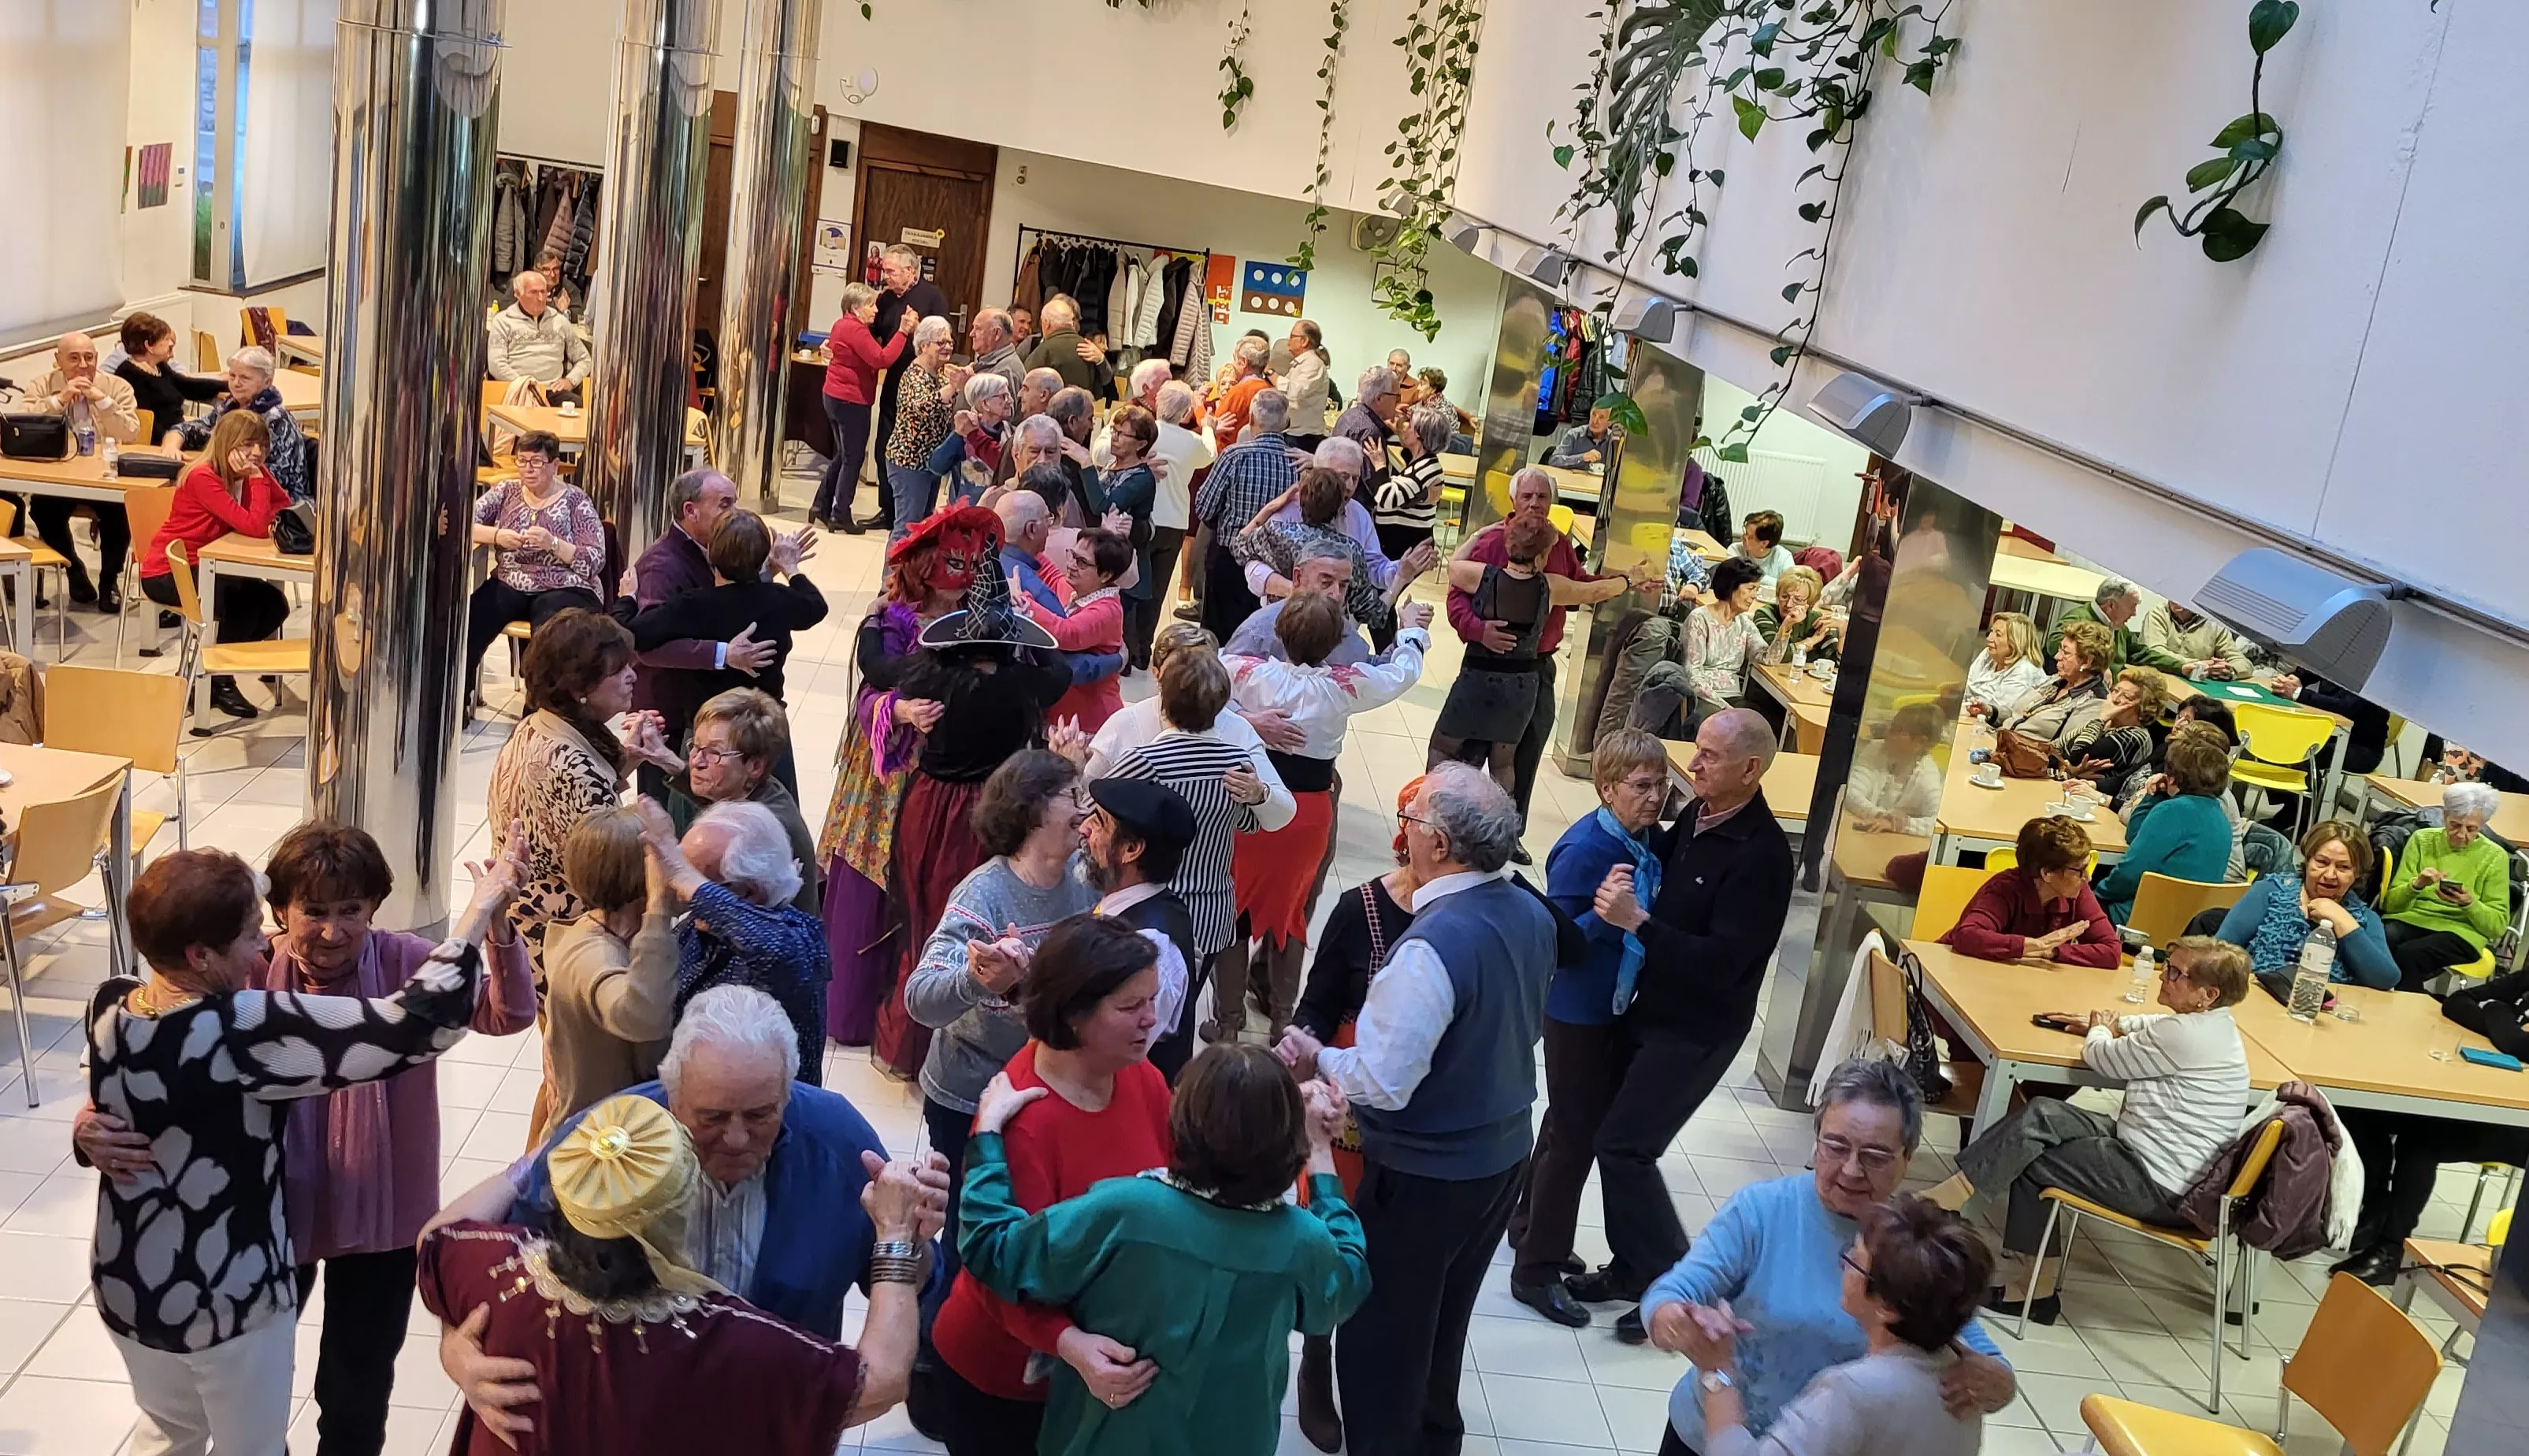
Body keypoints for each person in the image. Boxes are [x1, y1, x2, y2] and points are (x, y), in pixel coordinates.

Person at [79, 826, 537, 1456]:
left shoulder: (400, 958)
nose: (332, 931)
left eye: (351, 910)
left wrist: (500, 930)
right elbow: (411, 1024)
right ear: (276, 914)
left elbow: (507, 1015)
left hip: (378, 1220)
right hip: (269, 1232)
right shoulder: (247, 996)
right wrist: (88, 1124)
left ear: (374, 909)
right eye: (311, 912)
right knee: (249, 1409)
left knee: (353, 1395)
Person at [436, 987, 949, 1438]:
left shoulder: (839, 1143)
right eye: (713, 1117)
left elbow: (910, 1290)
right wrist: (457, 1348)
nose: (737, 1138)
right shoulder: (608, 1142)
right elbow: (495, 1266)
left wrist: (914, 1243)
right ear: (671, 1095)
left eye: (761, 1114)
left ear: (789, 1090)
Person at [1271, 765, 1550, 1456]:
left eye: (1413, 819)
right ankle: (1436, 1438)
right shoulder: (1529, 912)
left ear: (1441, 843)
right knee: (1446, 1322)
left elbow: (1382, 1082)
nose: (1406, 831)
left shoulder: (1430, 946)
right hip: (1502, 1155)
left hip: (1425, 1176)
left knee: (1385, 1344)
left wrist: (1318, 1055)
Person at [418, 1092, 932, 1454]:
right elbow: (881, 1380)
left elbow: (434, 1236)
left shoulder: (498, 1270)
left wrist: (536, 1159)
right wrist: (895, 1232)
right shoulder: (717, 1341)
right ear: (678, 1215)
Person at [959, 1046, 1365, 1456]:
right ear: (1290, 1143)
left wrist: (988, 1136)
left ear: (1183, 1123)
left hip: (1107, 1439)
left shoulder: (1125, 1210)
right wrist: (1319, 1152)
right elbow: (1347, 1282)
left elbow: (995, 1251)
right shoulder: (1303, 1242)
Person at [1641, 1060, 2016, 1454]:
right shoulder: (1761, 1210)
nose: (1851, 1170)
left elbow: (1977, 1349)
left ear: (1907, 1157)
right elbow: (1673, 1292)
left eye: (1875, 1156)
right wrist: (1674, 1320)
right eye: (1835, 1147)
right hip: (1709, 1436)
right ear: (1816, 1139)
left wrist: (1995, 1380)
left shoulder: (1910, 1243)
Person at [912, 915, 1178, 1452]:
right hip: (1007, 1383)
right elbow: (999, 1271)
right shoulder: (1022, 1117)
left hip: (1094, 1371)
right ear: (1075, 1014)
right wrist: (1070, 1342)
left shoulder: (1139, 1075)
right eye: (1131, 1006)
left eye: (1153, 1000)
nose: (1152, 1019)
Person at [1577, 709, 1797, 1341]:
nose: (1693, 765)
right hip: (1654, 1005)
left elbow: (1725, 964)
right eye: (1697, 750)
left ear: (1750, 770)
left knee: (1627, 1146)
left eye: (1710, 756)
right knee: (1612, 1139)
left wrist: (1637, 923)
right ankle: (1631, 1268)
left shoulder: (1761, 857)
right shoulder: (1698, 815)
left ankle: (1679, 1287)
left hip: (1699, 1026)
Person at [1937, 937, 2254, 1320]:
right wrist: (2107, 1024)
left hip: (2162, 1188)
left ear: (2208, 994)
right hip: (2147, 1153)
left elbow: (2101, 1058)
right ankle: (1952, 1197)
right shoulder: (2212, 1025)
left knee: (2034, 1160)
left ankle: (2034, 1292)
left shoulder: (2185, 1036)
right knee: (2043, 1114)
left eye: (2175, 973)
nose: (2163, 976)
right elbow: (2152, 1025)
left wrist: (2099, 1032)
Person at [877, 552, 1077, 1079]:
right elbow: (1059, 669)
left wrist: (878, 622)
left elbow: (879, 668)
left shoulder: (929, 677)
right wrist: (1023, 633)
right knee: (984, 924)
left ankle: (914, 1040)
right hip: (998, 812)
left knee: (926, 920)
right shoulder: (1026, 683)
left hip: (929, 809)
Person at [906, 750, 1099, 1268]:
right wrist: (976, 978)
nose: (1084, 809)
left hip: (1047, 1084)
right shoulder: (983, 897)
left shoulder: (1085, 875)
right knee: (970, 1235)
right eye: (1071, 797)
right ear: (1032, 811)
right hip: (970, 1095)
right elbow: (921, 998)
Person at [1283, 776, 1425, 1451]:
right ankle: (1317, 1360)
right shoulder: (1360, 909)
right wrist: (1304, 1052)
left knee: (1397, 1240)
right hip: (1349, 1096)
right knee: (1331, 1226)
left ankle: (1371, 1363)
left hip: (1422, 1103)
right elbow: (1317, 1004)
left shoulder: (1473, 912)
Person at [1510, 732, 1669, 1327]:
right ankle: (1536, 1269)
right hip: (1578, 1010)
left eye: (1661, 784)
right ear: (1606, 789)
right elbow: (1559, 938)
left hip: (1612, 1005)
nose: (1655, 797)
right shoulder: (1584, 849)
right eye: (1641, 786)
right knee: (1577, 1139)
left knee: (1566, 1122)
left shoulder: (1642, 839)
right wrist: (1607, 917)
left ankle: (1527, 1224)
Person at [1220, 593, 1432, 1040]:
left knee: (1236, 909)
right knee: (1294, 910)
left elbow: (1199, 672)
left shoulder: (1245, 672)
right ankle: (1283, 1018)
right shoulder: (1343, 686)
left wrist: (1247, 719)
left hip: (1253, 807)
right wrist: (1412, 629)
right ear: (1336, 642)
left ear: (1279, 633)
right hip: (1309, 813)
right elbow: (1402, 673)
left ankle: (1227, 1022)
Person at [815, 507, 982, 1047]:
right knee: (874, 880)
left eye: (971, 565)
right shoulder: (892, 620)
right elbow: (871, 691)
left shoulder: (973, 618)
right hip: (885, 779)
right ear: (927, 568)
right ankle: (855, 1010)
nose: (966, 576)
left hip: (946, 777)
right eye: (954, 564)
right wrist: (901, 711)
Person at [1088, 633, 1294, 1045]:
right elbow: (1252, 823)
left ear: (1163, 698)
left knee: (1132, 1007)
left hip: (1146, 907)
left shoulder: (1145, 759)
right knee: (1181, 1011)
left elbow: (1097, 798)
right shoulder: (1237, 764)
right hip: (1211, 911)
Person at [1692, 1199, 1993, 1456]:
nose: (1844, 1263)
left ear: (1887, 1307)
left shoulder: (1852, 1392)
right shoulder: (1966, 1380)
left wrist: (1717, 1371)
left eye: (1855, 1260)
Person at [1450, 466, 1647, 834]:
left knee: (1526, 752)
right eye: (1527, 496)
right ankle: (1457, 827)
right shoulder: (1493, 542)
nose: (1535, 503)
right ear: (1513, 500)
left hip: (1537, 667)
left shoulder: (1557, 542)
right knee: (1470, 754)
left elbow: (1582, 586)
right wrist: (1478, 631)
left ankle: (1509, 832)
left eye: (1542, 497)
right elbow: (1456, 598)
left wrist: (1626, 581)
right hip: (1486, 664)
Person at [486, 608, 681, 967]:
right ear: (578, 688)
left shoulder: (536, 724)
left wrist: (631, 756)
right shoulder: (572, 765)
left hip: (525, 928)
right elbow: (614, 875)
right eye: (618, 671)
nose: (632, 676)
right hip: (561, 945)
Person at [2330, 968, 2529, 1284]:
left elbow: (2519, 1045)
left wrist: (2495, 1010)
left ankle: (2391, 1249)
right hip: (2493, 1093)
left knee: (2423, 1140)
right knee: (2364, 1108)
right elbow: (2457, 1002)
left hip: (2520, 1122)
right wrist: (2501, 1024)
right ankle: (2377, 1205)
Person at [626, 509, 826, 767]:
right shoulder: (779, 599)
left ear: (710, 552)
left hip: (708, 734)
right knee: (770, 794)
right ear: (764, 556)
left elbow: (636, 634)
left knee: (702, 793)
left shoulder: (695, 605)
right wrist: (790, 568)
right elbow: (816, 606)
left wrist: (626, 599)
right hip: (765, 730)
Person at [647, 798, 829, 1083]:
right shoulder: (700, 927)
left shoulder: (796, 939)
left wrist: (685, 878)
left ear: (749, 891)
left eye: (698, 883)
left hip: (765, 1104)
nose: (683, 894)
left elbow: (776, 952)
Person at [531, 804, 679, 1143]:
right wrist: (658, 907)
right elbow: (642, 1017)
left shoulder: (615, 934)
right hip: (598, 1145)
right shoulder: (590, 956)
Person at [627, 468, 778, 797]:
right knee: (667, 809)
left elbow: (726, 602)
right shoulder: (661, 565)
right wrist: (723, 654)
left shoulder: (716, 550)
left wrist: (768, 573)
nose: (734, 512)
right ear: (690, 510)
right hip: (668, 710)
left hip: (708, 712)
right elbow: (647, 646)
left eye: (735, 503)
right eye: (725, 504)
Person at [138, 409, 288, 721]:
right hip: (170, 571)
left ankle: (215, 672)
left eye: (262, 445)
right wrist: (257, 479)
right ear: (227, 443)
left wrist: (259, 478)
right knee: (241, 604)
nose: (256, 453)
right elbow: (256, 526)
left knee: (274, 604)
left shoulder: (249, 470)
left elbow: (283, 506)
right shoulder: (203, 477)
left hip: (211, 564)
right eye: (247, 444)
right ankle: (216, 681)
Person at [1428, 514, 1570, 794]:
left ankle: (1434, 806)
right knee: (1504, 764)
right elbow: (1593, 591)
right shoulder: (1550, 588)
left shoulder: (1482, 576)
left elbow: (1453, 566)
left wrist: (1476, 536)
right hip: (1521, 687)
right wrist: (1627, 581)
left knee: (1442, 748)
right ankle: (1501, 817)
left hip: (1477, 680)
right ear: (1542, 556)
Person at [465, 429, 606, 692]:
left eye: (537, 462)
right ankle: (458, 701)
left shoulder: (575, 500)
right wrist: (497, 535)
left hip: (564, 585)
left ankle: (539, 710)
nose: (528, 469)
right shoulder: (507, 491)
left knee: (550, 640)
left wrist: (553, 544)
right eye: (522, 461)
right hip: (511, 581)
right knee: (468, 624)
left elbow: (595, 560)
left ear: (555, 465)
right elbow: (464, 522)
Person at [1080, 778, 1201, 1079]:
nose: (1084, 829)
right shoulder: (1125, 907)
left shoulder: (1151, 946)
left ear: (1131, 849)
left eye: (1099, 823)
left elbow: (1108, 1055)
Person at [17, 330, 142, 610]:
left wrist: (102, 401)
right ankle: (73, 568)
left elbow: (132, 433)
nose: (83, 365)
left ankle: (109, 580)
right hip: (59, 474)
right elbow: (22, 423)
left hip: (103, 476)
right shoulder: (42, 384)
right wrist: (58, 401)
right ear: (58, 360)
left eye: (89, 358)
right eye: (74, 358)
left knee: (119, 513)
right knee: (42, 510)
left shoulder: (117, 386)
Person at [667, 687, 819, 912]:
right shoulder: (755, 790)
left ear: (755, 766)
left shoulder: (765, 828)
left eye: (714, 753)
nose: (697, 761)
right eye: (695, 746)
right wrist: (668, 762)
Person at [2215, 819, 2397, 986]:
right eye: (2322, 862)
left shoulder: (2365, 919)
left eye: (2343, 867)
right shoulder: (2270, 891)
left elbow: (2387, 979)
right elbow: (2218, 952)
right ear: (2308, 860)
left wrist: (2342, 919)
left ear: (2357, 873)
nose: (2330, 875)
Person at [2378, 780, 2512, 991]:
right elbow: (2390, 906)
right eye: (2454, 825)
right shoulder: (2422, 840)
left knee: (2410, 955)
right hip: (2413, 918)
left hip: (2462, 931)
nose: (2461, 835)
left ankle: (2410, 1006)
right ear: (2444, 816)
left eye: (2471, 829)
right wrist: (2416, 885)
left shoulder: (2495, 857)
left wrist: (2470, 904)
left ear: (2482, 825)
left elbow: (2497, 927)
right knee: (2379, 939)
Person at [2095, 724, 2236, 922]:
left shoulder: (2171, 811)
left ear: (2173, 777)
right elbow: (2135, 834)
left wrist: (2096, 895)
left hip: (2136, 919)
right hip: (2185, 927)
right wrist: (2157, 794)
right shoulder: (2221, 818)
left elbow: (2129, 874)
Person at [1234, 465, 1394, 636]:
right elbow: (1374, 614)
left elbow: (1239, 546)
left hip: (1281, 629)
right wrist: (1399, 581)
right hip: (1330, 637)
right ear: (1340, 507)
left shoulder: (1277, 533)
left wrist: (1271, 508)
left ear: (1301, 501)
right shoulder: (1351, 550)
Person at [1940, 815, 2120, 966]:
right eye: (2079, 870)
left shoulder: (2078, 890)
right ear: (2047, 873)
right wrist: (2034, 945)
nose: (2088, 877)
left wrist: (2052, 951)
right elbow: (1966, 935)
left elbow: (2112, 951)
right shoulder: (2005, 889)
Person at [1194, 387, 1298, 641]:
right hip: (1276, 565)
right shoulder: (1299, 463)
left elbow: (1204, 507)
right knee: (1263, 638)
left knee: (1219, 638)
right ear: (1286, 423)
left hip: (1229, 557)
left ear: (1251, 420)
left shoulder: (1234, 455)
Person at [864, 243, 951, 533]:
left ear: (910, 271)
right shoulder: (886, 298)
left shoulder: (933, 297)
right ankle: (887, 510)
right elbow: (871, 334)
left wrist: (917, 330)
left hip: (923, 382)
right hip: (894, 384)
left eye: (890, 271)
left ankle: (911, 515)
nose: (885, 276)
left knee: (913, 454)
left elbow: (943, 339)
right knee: (884, 448)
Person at [818, 280, 914, 531]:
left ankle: (821, 505)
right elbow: (882, 359)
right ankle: (840, 514)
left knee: (843, 455)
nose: (876, 310)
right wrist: (903, 332)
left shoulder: (841, 324)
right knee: (853, 459)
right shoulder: (856, 330)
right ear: (856, 308)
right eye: (871, 305)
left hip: (834, 396)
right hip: (851, 400)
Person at [1016, 527, 1132, 732]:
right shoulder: (1074, 588)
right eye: (1072, 555)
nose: (1071, 565)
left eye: (1082, 562)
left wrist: (1021, 600)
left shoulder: (1108, 610)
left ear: (1106, 575)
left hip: (1089, 720)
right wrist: (1021, 541)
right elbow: (1050, 573)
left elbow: (1066, 633)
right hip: (1065, 711)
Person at [168, 345, 312, 503]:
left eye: (245, 378)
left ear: (267, 382)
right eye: (232, 376)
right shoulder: (230, 407)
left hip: (280, 506)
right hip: (236, 494)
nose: (236, 383)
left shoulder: (275, 419)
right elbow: (191, 429)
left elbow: (277, 480)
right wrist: (172, 445)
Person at [1096, 406, 1168, 668]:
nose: (1114, 438)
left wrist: (1085, 467)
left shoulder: (1140, 477)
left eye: (1122, 434)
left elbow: (1104, 506)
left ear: (1141, 444)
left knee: (1121, 635)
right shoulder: (1114, 465)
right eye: (1113, 431)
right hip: (1109, 560)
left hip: (1125, 566)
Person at [885, 315, 963, 534]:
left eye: (950, 342)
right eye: (941, 342)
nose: (948, 347)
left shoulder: (940, 373)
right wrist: (953, 388)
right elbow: (923, 406)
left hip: (930, 464)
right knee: (907, 528)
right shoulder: (915, 375)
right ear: (923, 346)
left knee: (922, 529)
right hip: (909, 463)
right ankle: (894, 560)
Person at [1993, 618, 2114, 747]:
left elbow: (2063, 748)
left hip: (2022, 755)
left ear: (2086, 662)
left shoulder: (2095, 702)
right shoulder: (2057, 680)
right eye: (2060, 649)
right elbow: (2017, 714)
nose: (2057, 657)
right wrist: (1990, 712)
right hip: (1998, 740)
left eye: (2065, 653)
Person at [1148, 380, 1213, 614]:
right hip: (1175, 522)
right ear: (1186, 413)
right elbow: (1210, 454)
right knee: (1157, 591)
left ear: (1157, 403)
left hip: (1144, 518)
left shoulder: (1145, 431)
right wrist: (1208, 428)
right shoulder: (1192, 441)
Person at [113, 313, 226, 445]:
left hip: (178, 432)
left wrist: (227, 385)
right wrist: (179, 436)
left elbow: (186, 386)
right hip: (162, 442)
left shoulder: (160, 367)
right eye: (166, 339)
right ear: (149, 345)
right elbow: (149, 422)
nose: (171, 343)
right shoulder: (128, 375)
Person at [2056, 665, 2167, 799]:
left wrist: (2101, 719)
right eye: (2115, 691)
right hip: (2069, 787)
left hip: (2093, 801)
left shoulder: (2136, 737)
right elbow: (2055, 747)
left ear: (2143, 708)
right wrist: (2069, 768)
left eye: (2126, 696)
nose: (2115, 699)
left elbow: (2076, 755)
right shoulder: (2107, 724)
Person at [1680, 556, 1769, 715]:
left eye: (1757, 590)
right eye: (1750, 589)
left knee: (1759, 721)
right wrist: (1725, 708)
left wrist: (1785, 631)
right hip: (1702, 697)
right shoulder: (1699, 619)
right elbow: (1693, 674)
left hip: (1734, 697)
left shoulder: (1745, 624)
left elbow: (1766, 657)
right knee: (1728, 725)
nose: (1754, 595)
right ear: (1731, 586)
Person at [486, 268, 589, 402]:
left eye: (543, 292)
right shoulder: (503, 322)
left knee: (575, 404)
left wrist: (570, 381)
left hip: (552, 391)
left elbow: (584, 359)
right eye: (533, 293)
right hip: (516, 390)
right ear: (517, 294)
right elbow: (496, 364)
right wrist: (525, 384)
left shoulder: (560, 322)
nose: (541, 298)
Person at [2044, 578, 2187, 674]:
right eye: (2132, 607)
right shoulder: (2078, 619)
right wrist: (2098, 667)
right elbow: (2055, 643)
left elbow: (2142, 654)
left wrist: (2180, 666)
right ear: (2111, 605)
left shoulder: (2120, 629)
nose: (2134, 613)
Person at [1845, 704, 1944, 835]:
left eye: (1897, 730)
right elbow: (1849, 792)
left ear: (1920, 742)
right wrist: (1881, 815)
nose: (1887, 732)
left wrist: (1898, 825)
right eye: (1891, 726)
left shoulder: (1927, 776)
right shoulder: (1876, 749)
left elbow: (1937, 824)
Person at [1373, 401, 1451, 562]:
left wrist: (1380, 465)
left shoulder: (1425, 469)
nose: (1404, 429)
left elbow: (1387, 498)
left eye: (1409, 426)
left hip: (1404, 548)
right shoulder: (1422, 462)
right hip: (1403, 546)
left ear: (1418, 434)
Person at [1329, 365, 1403, 500]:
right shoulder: (1369, 432)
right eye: (1397, 398)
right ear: (1379, 398)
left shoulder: (1351, 414)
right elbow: (1378, 491)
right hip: (1356, 505)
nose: (1398, 403)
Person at [1963, 611, 2049, 717]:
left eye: (1998, 634)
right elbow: (1967, 685)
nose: (1989, 638)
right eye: (1992, 631)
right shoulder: (1989, 653)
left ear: (2015, 642)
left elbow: (1997, 712)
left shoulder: (2024, 669)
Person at [2142, 600, 2252, 681]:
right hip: (2157, 681)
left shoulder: (2214, 623)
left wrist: (2229, 670)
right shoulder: (2158, 613)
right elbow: (2154, 652)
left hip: (2195, 688)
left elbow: (2243, 663)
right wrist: (2197, 665)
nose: (2176, 599)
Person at [1023, 295, 1110, 396]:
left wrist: (1101, 360)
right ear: (1072, 323)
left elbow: (1025, 385)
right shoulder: (1088, 349)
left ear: (1046, 323)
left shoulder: (1043, 351)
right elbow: (1100, 389)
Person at [1755, 563, 1841, 665]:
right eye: (1784, 596)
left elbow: (1836, 661)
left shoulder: (1815, 620)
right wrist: (1812, 641)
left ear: (1810, 603)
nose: (1788, 604)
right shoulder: (1765, 614)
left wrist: (1843, 634)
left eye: (1798, 600)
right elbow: (1774, 656)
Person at [1208, 335, 1275, 448]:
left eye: (1235, 359)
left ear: (1244, 362)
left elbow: (1215, 428)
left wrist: (1198, 407)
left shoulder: (1238, 392)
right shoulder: (1271, 392)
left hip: (1230, 453)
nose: (1233, 364)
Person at [1276, 320, 1332, 448]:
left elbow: (1296, 392)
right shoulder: (1300, 363)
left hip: (1303, 437)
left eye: (1292, 336)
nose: (1288, 340)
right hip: (1293, 433)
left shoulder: (1313, 364)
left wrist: (1273, 376)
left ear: (1304, 341)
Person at [969, 306, 1027, 396]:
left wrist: (965, 385)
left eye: (978, 329)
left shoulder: (1005, 372)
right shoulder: (994, 362)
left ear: (997, 333)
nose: (972, 334)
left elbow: (992, 406)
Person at [1729, 510, 1793, 588]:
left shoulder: (1784, 557)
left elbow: (1790, 586)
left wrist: (1754, 576)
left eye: (1749, 537)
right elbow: (1735, 576)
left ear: (1764, 544)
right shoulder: (1735, 550)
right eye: (1745, 532)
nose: (1743, 537)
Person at [1548, 405, 1617, 468]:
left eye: (1601, 417)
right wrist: (1582, 458)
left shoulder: (1614, 441)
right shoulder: (1574, 435)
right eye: (1594, 415)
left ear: (1610, 422)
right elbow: (1554, 460)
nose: (1595, 421)